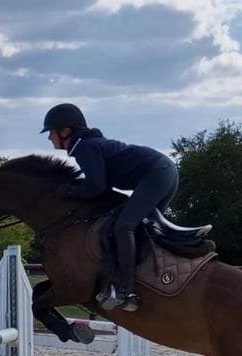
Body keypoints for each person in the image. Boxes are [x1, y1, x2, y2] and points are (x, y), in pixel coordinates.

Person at [40, 102, 178, 312]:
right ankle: (147, 280)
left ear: (65, 131)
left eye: (51, 132)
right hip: (164, 172)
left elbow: (96, 186)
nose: (49, 137)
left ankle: (127, 291)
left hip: (156, 174)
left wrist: (68, 191)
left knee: (123, 227)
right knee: (138, 227)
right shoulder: (89, 145)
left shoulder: (84, 147)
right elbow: (101, 186)